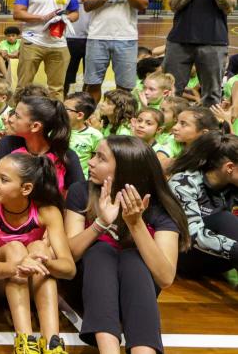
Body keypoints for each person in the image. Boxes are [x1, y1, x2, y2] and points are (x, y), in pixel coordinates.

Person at [65, 136, 188, 354]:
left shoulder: (159, 207)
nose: (91, 162)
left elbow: (165, 277)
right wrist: (100, 224)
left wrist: (136, 224)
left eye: (101, 158)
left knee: (133, 257)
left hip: (137, 295)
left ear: (125, 169)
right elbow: (70, 256)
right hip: (88, 290)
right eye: (94, 155)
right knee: (101, 250)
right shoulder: (81, 192)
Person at [0, 154, 75, 354]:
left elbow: (69, 269)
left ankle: (52, 343)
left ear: (26, 188)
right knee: (15, 248)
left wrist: (42, 264)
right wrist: (19, 265)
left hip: (33, 282)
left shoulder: (47, 211)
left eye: (3, 180)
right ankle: (24, 342)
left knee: (40, 249)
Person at [0, 95, 84, 199]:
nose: (10, 119)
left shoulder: (66, 156)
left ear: (35, 126)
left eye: (17, 116)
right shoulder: (7, 144)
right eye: (13, 113)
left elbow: (79, 195)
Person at [81, 0, 150, 101]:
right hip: (97, 37)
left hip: (126, 38)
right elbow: (88, 5)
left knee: (124, 87)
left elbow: (142, 5)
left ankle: (119, 119)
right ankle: (93, 118)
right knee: (92, 83)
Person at [168, 132, 238, 278]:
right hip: (180, 253)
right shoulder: (184, 183)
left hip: (217, 258)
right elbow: (193, 235)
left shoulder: (232, 187)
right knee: (226, 219)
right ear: (229, 167)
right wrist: (234, 248)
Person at [13, 0, 80, 100]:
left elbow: (75, 13)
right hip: (32, 41)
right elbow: (17, 13)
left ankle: (56, 123)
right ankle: (15, 120)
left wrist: (66, 18)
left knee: (56, 89)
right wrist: (43, 18)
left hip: (59, 44)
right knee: (23, 86)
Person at [64, 0, 107, 96]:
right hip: (73, 36)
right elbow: (62, 5)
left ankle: (85, 106)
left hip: (95, 37)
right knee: (67, 75)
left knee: (91, 78)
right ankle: (63, 104)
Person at [64, 92, 102, 175]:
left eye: (66, 109)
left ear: (80, 115)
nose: (61, 111)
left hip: (79, 180)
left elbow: (96, 161)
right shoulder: (56, 130)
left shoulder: (95, 136)